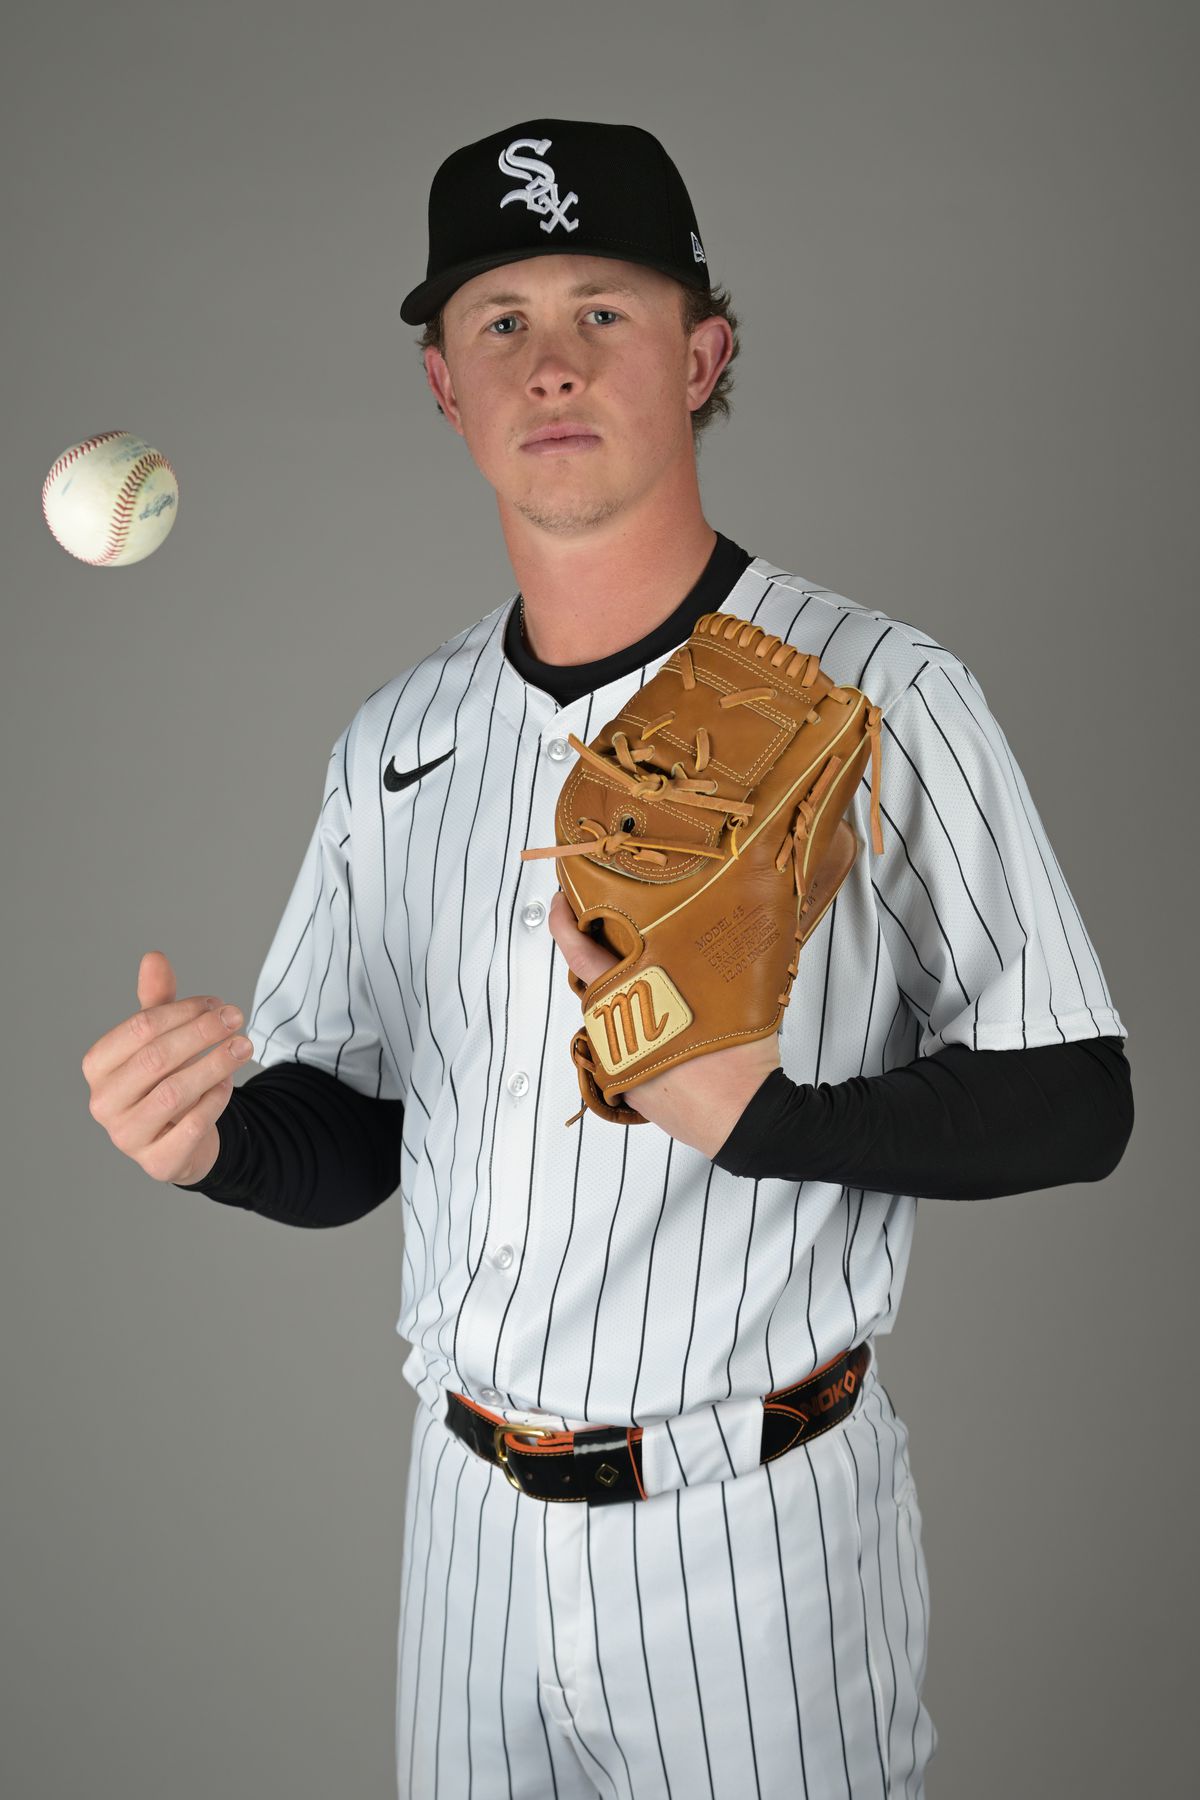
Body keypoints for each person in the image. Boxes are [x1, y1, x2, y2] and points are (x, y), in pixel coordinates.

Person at [81, 118, 1133, 1798]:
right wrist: (209, 1142)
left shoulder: (884, 692)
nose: (550, 362)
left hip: (756, 1534)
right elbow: (356, 1143)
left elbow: (1079, 1099)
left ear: (702, 356)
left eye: (604, 311)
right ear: (445, 386)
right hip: (466, 1525)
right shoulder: (394, 742)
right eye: (501, 320)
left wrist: (770, 1120)